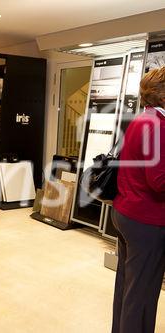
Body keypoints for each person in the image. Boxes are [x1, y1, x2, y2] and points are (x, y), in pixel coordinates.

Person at [111, 66, 165, 333]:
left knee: (127, 288)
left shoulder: (142, 119)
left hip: (126, 214)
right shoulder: (159, 126)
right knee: (142, 296)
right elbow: (159, 181)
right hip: (147, 220)